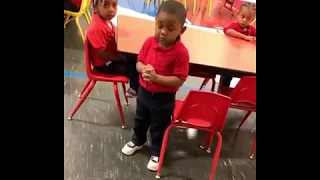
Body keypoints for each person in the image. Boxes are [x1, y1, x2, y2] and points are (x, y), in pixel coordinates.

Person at [121, 0, 189, 171]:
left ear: (182, 30)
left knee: (159, 125)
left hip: (164, 98)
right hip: (144, 92)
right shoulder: (149, 42)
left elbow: (180, 79)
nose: (163, 32)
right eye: (159, 26)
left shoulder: (181, 53)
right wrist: (143, 69)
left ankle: (157, 151)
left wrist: (157, 78)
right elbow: (138, 62)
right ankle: (138, 140)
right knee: (140, 119)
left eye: (170, 28)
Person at [86, 0, 139, 97]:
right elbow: (101, 53)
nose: (111, 10)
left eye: (114, 5)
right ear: (96, 6)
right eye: (106, 5)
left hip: (111, 56)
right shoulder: (96, 28)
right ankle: (135, 89)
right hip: (104, 64)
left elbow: (113, 30)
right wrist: (120, 57)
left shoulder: (105, 20)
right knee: (134, 67)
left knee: (137, 56)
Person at [221, 2, 256, 88]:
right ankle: (223, 90)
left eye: (248, 19)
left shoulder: (251, 29)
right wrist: (244, 37)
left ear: (252, 20)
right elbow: (228, 30)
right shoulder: (234, 25)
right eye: (243, 17)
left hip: (244, 61)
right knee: (227, 77)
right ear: (238, 15)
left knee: (247, 78)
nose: (244, 20)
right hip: (231, 59)